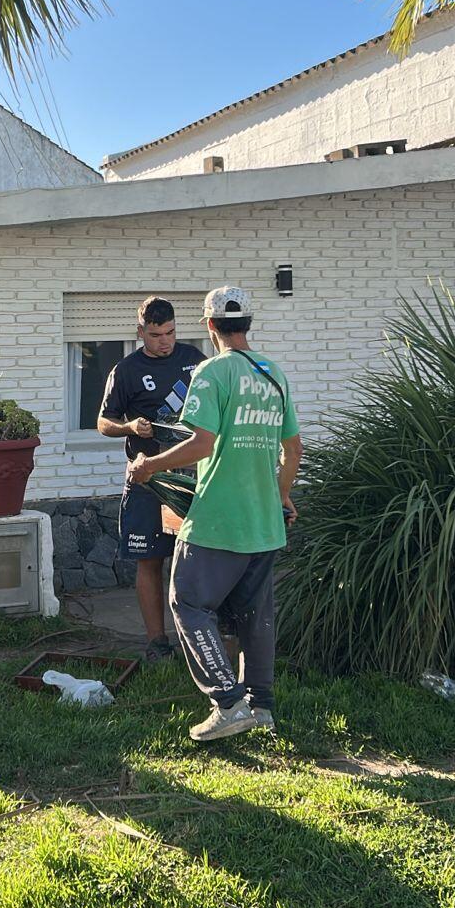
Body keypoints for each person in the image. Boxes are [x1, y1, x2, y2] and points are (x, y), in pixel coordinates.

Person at [128, 285, 302, 740]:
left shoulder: (211, 372)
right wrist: (282, 496)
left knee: (186, 601)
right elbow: (293, 447)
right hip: (264, 519)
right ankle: (260, 705)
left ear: (209, 326)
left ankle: (227, 701)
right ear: (248, 323)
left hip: (218, 519)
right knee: (254, 613)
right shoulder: (273, 373)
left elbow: (200, 444)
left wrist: (149, 466)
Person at [97, 297, 205, 660]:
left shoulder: (195, 360)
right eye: (157, 335)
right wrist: (129, 426)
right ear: (140, 332)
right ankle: (158, 643)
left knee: (198, 558)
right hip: (147, 479)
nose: (165, 341)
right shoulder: (125, 370)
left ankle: (199, 641)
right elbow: (103, 422)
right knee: (150, 559)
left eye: (171, 332)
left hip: (191, 474)